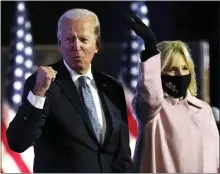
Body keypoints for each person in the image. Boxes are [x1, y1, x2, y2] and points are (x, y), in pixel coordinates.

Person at [6, 9, 135, 173]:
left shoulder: (112, 87)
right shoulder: (42, 84)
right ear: (60, 44)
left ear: (97, 44)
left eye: (83, 39)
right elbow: (18, 142)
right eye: (69, 39)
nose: (76, 46)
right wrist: (38, 92)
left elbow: (122, 155)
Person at [126, 13, 220, 173]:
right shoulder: (152, 109)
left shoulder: (204, 110)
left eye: (184, 68)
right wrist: (150, 48)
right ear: (159, 73)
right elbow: (150, 95)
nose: (180, 74)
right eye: (172, 69)